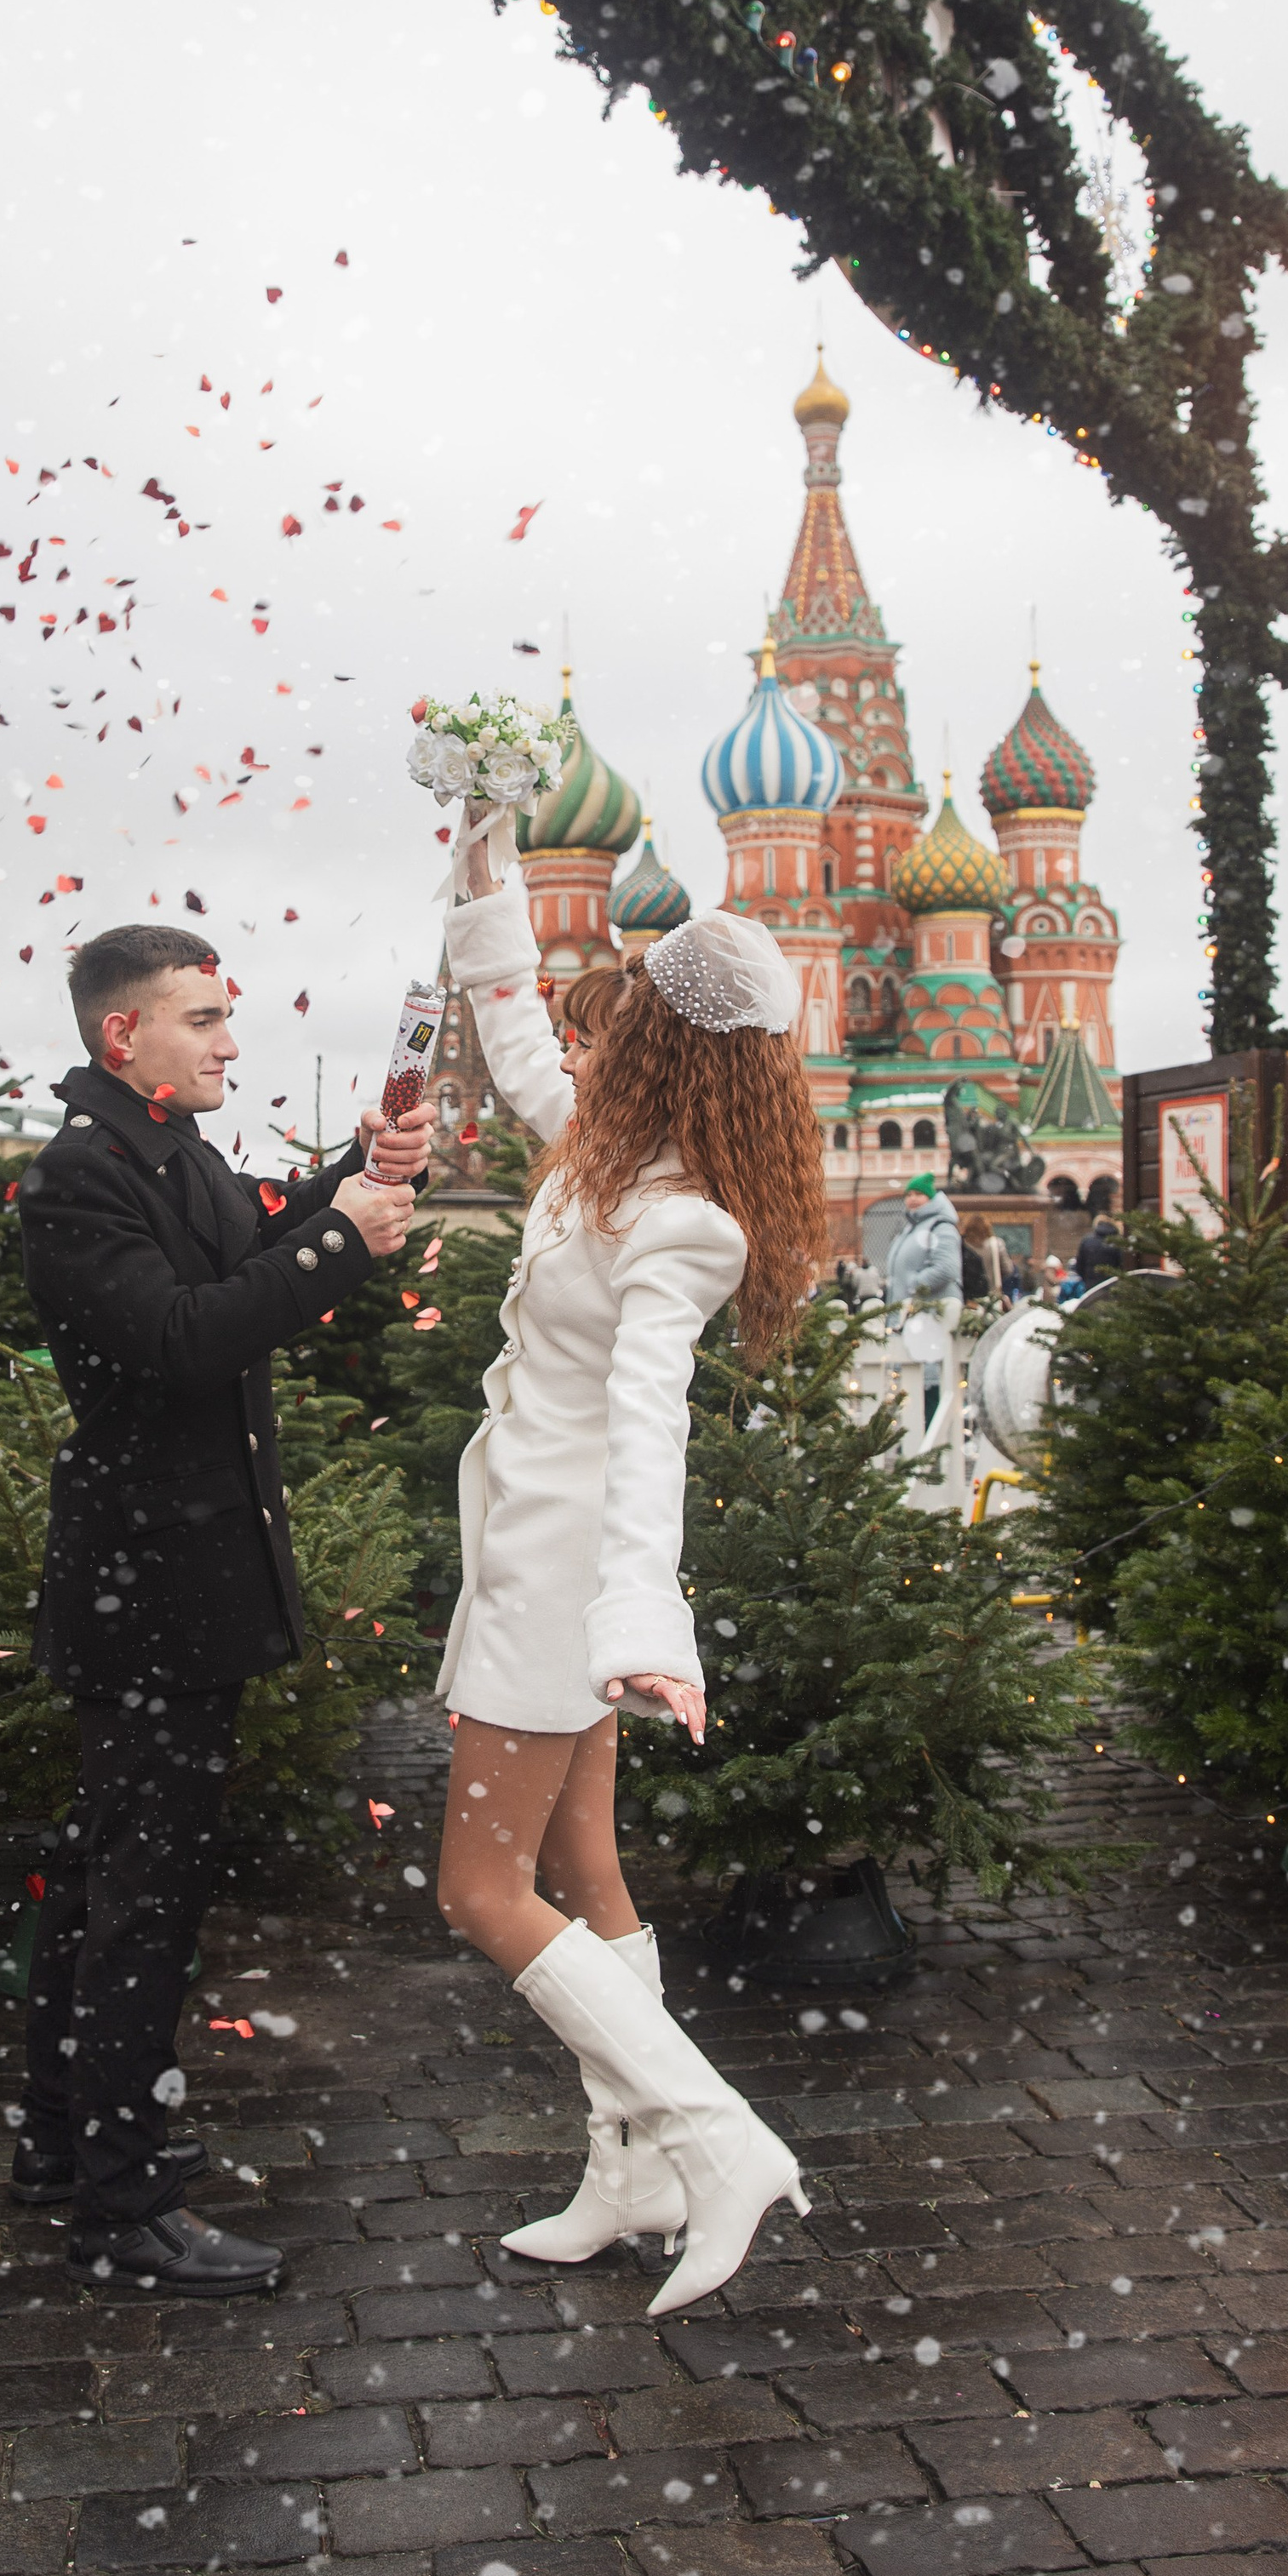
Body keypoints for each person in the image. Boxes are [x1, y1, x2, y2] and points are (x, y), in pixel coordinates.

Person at [432, 851, 826, 2319]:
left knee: (481, 1887)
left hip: (565, 1577)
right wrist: (486, 839)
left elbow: (653, 1429)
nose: (584, 1049)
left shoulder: (684, 1223)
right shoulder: (601, 1158)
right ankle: (632, 2170)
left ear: (662, 1048)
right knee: (588, 1875)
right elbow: (518, 1030)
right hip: (529, 1545)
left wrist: (642, 1622)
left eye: (618, 1029)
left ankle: (716, 2139)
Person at [15, 922, 428, 2296]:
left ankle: (61, 2147)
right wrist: (343, 1252)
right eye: (204, 1020)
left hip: (176, 1585)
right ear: (123, 1035)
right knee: (143, 1897)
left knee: (101, 1877)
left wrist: (354, 1179)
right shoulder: (80, 1180)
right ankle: (123, 2205)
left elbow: (242, 1234)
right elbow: (186, 1335)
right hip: (151, 1596)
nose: (231, 1042)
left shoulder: (162, 1153)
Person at [885, 1172, 964, 1432]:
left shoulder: (940, 1227)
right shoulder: (913, 1228)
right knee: (915, 1379)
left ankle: (935, 1435)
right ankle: (919, 1437)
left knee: (931, 1380)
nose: (912, 1199)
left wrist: (912, 1286)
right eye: (908, 1194)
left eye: (918, 1194)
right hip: (914, 1319)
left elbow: (946, 1268)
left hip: (930, 1317)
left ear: (932, 1198)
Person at [1074, 1178, 1123, 1293]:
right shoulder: (1118, 1242)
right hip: (1113, 1288)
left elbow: (1079, 1267)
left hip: (1091, 1288)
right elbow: (1122, 1265)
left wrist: (1088, 1279)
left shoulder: (1087, 1241)